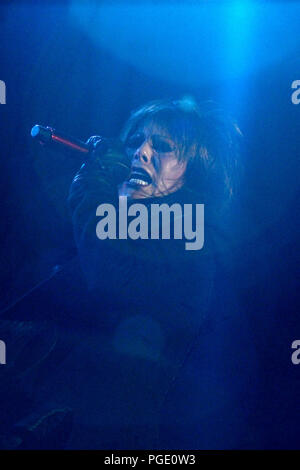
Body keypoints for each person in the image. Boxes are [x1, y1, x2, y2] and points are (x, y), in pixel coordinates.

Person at [0, 98, 259, 449]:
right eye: (134, 142)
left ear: (192, 173)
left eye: (163, 147)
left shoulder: (188, 233)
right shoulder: (109, 236)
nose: (141, 153)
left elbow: (110, 274)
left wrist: (90, 181)